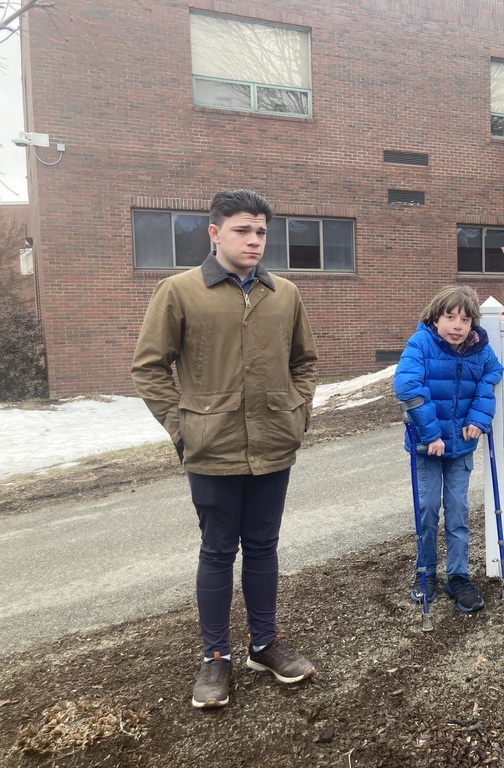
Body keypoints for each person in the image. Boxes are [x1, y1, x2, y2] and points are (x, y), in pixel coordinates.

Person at [131, 189, 319, 709]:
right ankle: (215, 657)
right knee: (217, 551)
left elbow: (306, 362)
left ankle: (264, 644)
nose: (254, 240)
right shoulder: (179, 291)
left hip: (273, 445)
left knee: (263, 546)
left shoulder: (284, 294)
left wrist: (297, 412)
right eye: (243, 230)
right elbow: (149, 367)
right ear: (214, 232)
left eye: (261, 231)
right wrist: (182, 427)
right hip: (211, 449)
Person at [393, 285, 504, 613]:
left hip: (461, 447)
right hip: (428, 447)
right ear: (436, 317)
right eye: (450, 317)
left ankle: (459, 576)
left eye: (465, 319)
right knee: (427, 509)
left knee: (458, 511)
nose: (457, 325)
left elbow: (492, 373)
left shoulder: (479, 349)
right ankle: (425, 570)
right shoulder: (421, 343)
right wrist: (432, 435)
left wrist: (479, 417)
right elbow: (407, 385)